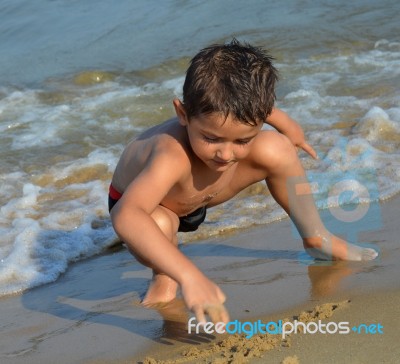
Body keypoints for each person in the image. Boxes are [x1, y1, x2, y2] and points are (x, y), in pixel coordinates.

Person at [108, 39, 378, 324]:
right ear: (183, 114)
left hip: (203, 192)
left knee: (277, 148)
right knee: (161, 225)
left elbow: (267, 111)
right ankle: (165, 279)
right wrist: (190, 276)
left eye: (243, 140)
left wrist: (291, 130)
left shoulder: (244, 116)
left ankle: (317, 239)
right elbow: (127, 215)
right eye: (211, 138)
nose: (225, 154)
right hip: (152, 204)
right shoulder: (170, 155)